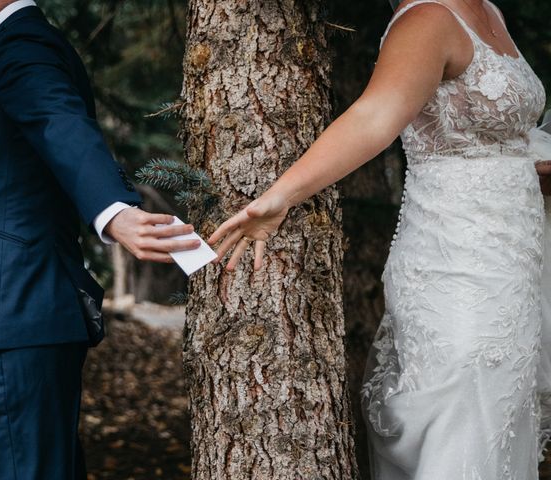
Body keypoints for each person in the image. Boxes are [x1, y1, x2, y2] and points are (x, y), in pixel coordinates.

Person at [209, 0, 551, 477]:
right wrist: (281, 196)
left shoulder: (488, 7)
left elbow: (495, 140)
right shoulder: (427, 18)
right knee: (463, 400)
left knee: (501, 406)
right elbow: (376, 116)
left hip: (514, 257)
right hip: (457, 259)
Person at [0, 0, 200, 478]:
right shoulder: (10, 44)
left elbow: (56, 119)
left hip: (13, 303)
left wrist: (113, 210)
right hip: (9, 306)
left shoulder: (20, 42)